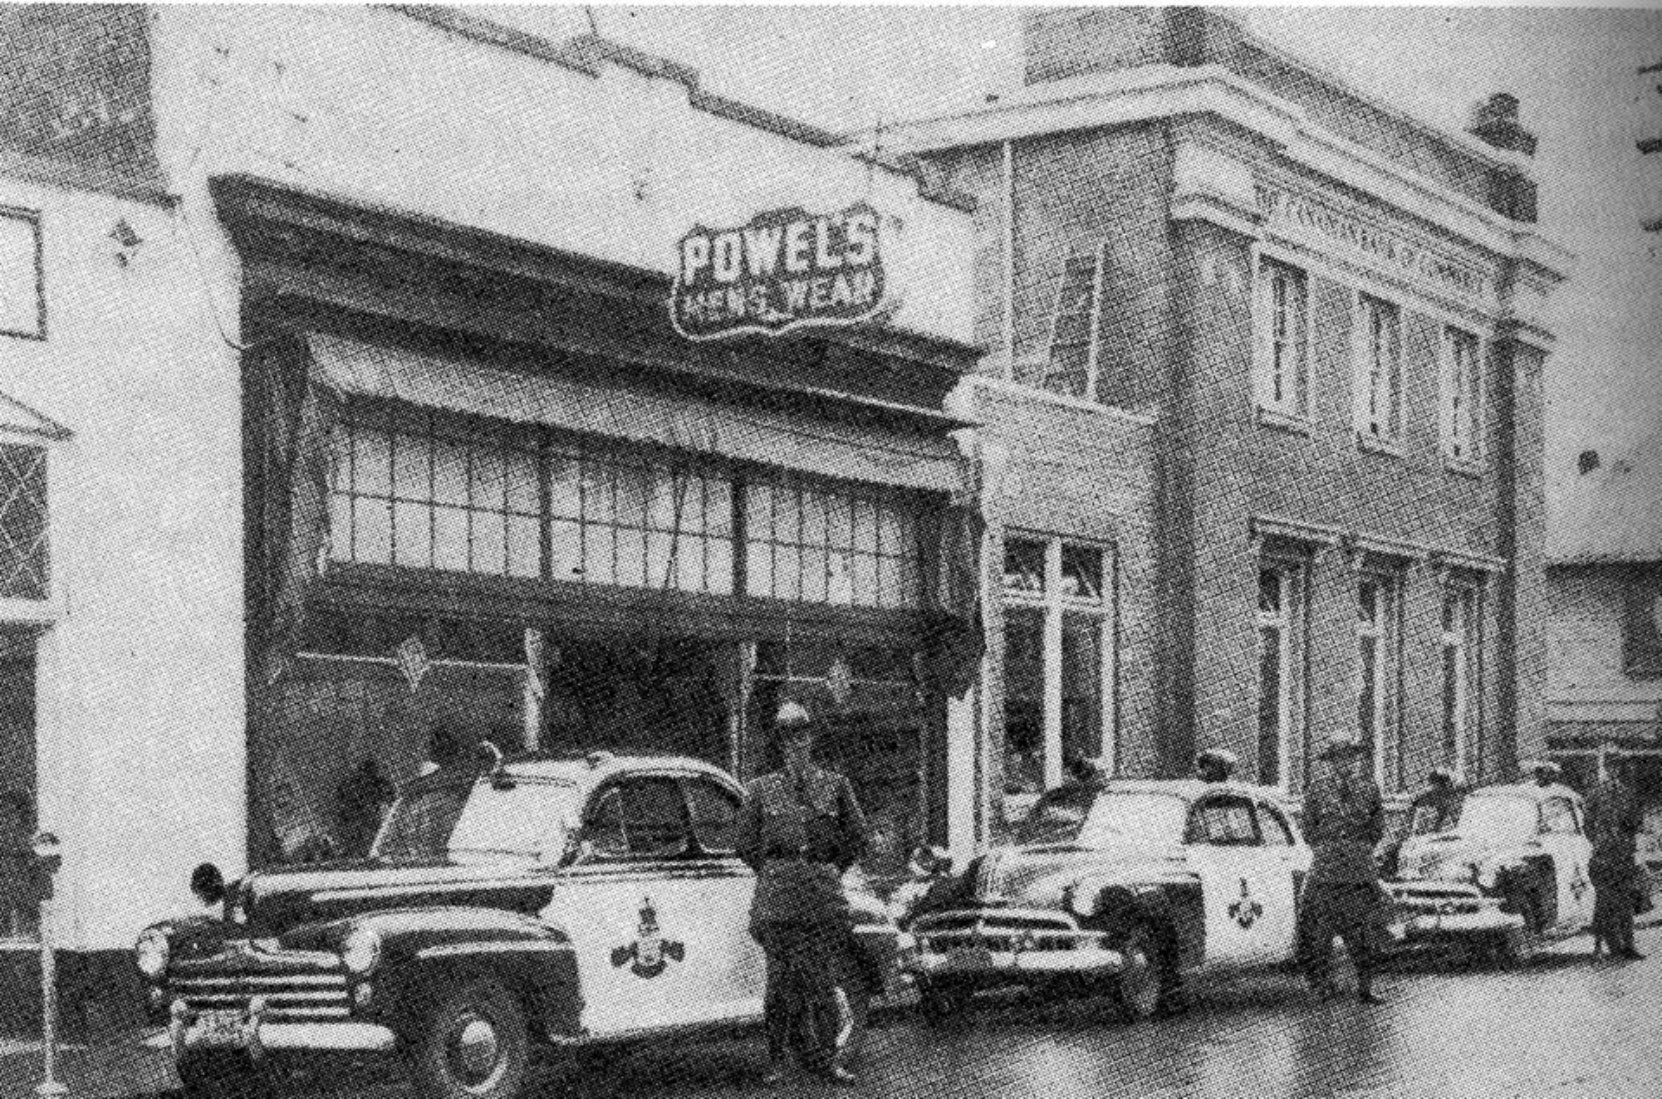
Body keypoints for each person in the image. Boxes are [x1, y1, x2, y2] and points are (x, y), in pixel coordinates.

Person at [736, 701, 868, 1087]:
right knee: (779, 983)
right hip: (778, 901)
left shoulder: (835, 784)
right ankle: (777, 1060)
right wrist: (776, 867)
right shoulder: (760, 789)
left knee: (822, 982)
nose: (794, 744)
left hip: (821, 897)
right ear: (779, 745)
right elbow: (744, 843)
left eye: (800, 736)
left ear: (811, 740)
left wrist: (827, 866)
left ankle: (827, 1060)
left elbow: (856, 836)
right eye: (786, 738)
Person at [1299, 730, 1388, 1005]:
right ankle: (1324, 987)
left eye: (1348, 758)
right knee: (1321, 935)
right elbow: (1308, 829)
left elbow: (1376, 828)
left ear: (1355, 760)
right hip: (1326, 874)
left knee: (1364, 934)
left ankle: (1365, 987)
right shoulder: (1317, 789)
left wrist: (1358, 852)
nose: (1343, 764)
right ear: (1330, 762)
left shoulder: (1369, 787)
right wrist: (1329, 850)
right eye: (1337, 759)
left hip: (1359, 874)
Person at [1586, 755, 1644, 961]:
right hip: (1606, 855)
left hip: (1620, 854)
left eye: (1615, 767)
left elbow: (1636, 823)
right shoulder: (1598, 794)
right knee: (1604, 902)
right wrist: (1599, 843)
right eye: (1610, 767)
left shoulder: (1626, 794)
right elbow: (1587, 824)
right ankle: (1599, 947)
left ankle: (1625, 946)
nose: (1612, 771)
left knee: (1624, 901)